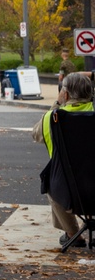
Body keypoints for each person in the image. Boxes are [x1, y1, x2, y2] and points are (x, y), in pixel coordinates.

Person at [32, 70, 94, 250]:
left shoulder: (52, 119)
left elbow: (35, 135)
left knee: (51, 177)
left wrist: (57, 103)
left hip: (69, 191)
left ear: (65, 93)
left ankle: (72, 233)